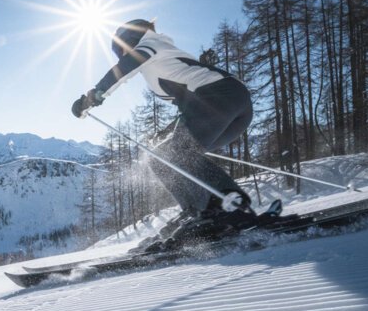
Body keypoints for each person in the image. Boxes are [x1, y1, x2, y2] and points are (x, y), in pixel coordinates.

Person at [71, 18, 254, 226]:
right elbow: (190, 104)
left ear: (128, 41)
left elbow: (124, 68)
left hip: (219, 97)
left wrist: (93, 97)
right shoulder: (164, 53)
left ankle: (227, 208)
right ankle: (196, 212)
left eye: (120, 51)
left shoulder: (149, 46)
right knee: (162, 158)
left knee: (178, 154)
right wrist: (168, 132)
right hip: (233, 105)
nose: (122, 56)